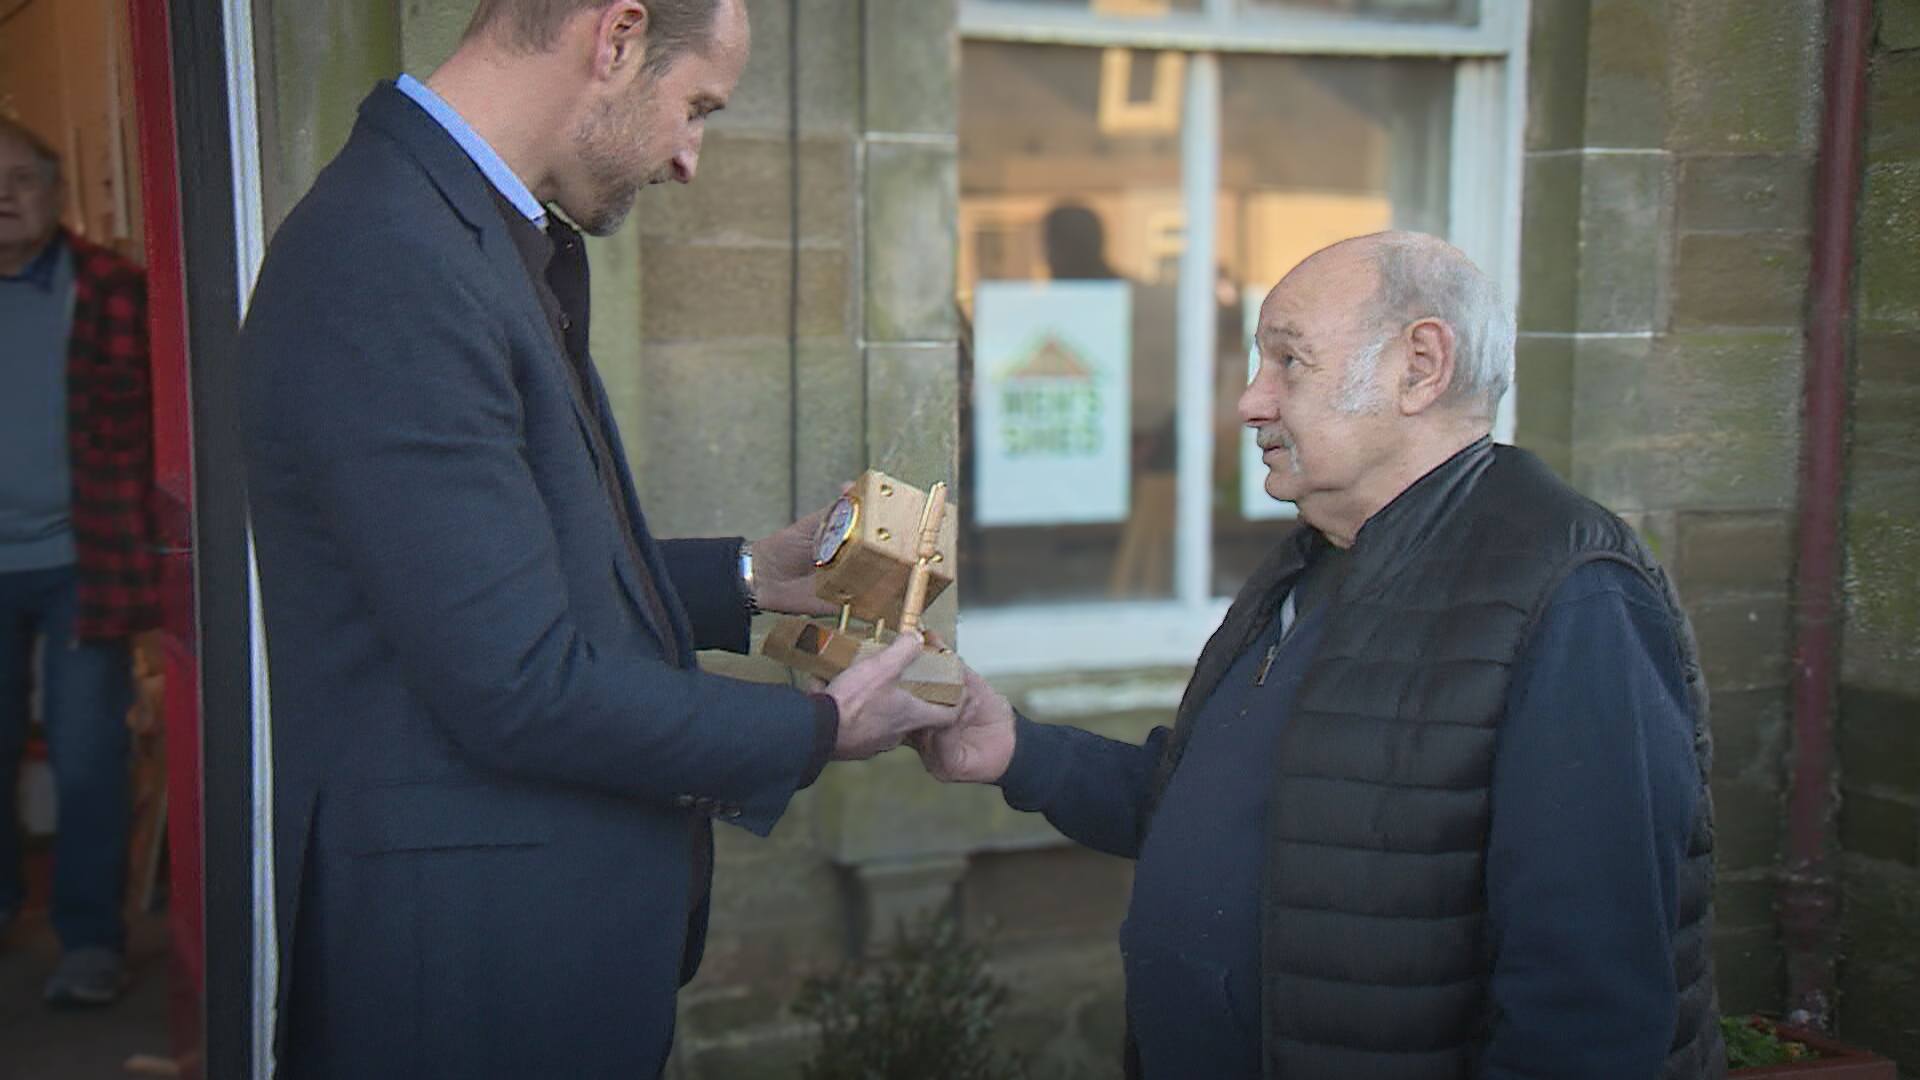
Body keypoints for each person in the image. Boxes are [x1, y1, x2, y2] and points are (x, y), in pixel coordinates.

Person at [237, 1, 954, 1074]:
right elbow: (517, 681)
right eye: (697, 106)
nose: (688, 159)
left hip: (518, 945)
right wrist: (812, 731)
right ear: (615, 38)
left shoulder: (451, 227)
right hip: (467, 975)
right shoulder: (392, 256)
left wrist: (759, 575)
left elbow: (492, 581)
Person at [920, 232, 1727, 1079]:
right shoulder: (1317, 557)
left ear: (1420, 365)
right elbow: (1233, 811)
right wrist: (1015, 748)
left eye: (1288, 362)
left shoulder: (1573, 590)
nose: (1251, 402)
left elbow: (1590, 1002)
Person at [0, 115, 162, 1009]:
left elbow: (161, 431)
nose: (3, 195)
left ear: (55, 194)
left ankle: (90, 940)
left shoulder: (108, 288)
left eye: (21, 177)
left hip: (79, 560)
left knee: (87, 752)